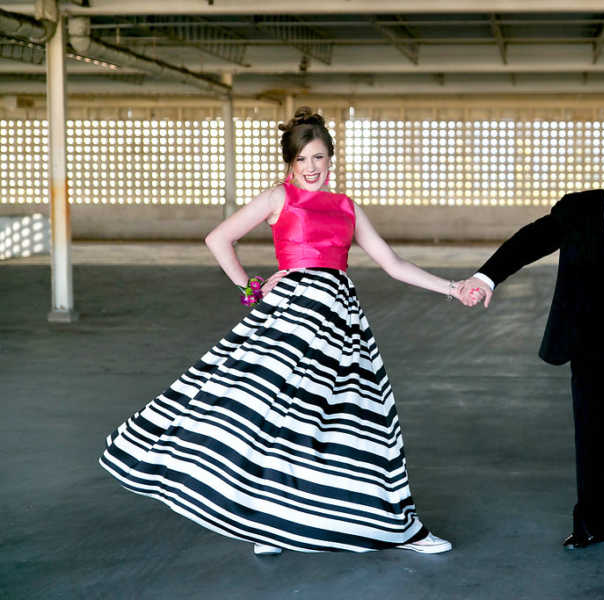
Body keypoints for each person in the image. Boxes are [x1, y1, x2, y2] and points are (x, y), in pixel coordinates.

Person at [100, 107, 476, 556]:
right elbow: (218, 239)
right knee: (267, 417)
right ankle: (266, 525)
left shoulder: (347, 207)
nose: (312, 168)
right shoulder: (278, 198)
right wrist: (251, 288)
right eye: (302, 161)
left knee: (355, 421)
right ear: (290, 164)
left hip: (340, 325)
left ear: (331, 158)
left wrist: (454, 288)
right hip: (291, 319)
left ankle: (400, 527)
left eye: (318, 158)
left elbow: (393, 265)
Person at [460, 133, 604, 559]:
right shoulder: (576, 210)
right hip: (591, 352)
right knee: (592, 443)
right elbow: (528, 242)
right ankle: (590, 526)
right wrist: (486, 276)